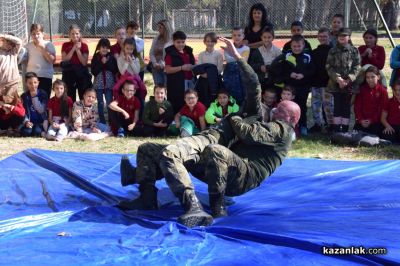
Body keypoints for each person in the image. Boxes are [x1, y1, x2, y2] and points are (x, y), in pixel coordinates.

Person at [118, 37, 301, 228]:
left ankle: (199, 206)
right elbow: (254, 85)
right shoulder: (256, 115)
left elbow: (248, 133)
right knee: (148, 149)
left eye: (280, 110)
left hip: (239, 176)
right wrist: (237, 56)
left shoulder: (284, 131)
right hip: (217, 160)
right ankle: (146, 192)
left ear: (289, 118)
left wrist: (233, 118)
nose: (275, 110)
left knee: (197, 152)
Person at [270, 35, 315, 135]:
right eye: (294, 46)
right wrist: (289, 74)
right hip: (289, 86)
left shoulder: (307, 56)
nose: (296, 48)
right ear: (291, 45)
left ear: (303, 45)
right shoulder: (286, 55)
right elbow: (277, 67)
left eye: (299, 46)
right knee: (287, 106)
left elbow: (312, 70)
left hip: (303, 86)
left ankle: (303, 125)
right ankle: (287, 126)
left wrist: (303, 75)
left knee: (302, 106)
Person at [326, 28, 360, 133]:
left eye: (344, 35)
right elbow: (329, 66)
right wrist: (338, 79)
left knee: (346, 107)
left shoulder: (354, 50)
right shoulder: (332, 51)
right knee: (337, 107)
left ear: (349, 37)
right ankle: (336, 130)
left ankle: (345, 130)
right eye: (340, 35)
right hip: (335, 84)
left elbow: (357, 66)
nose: (342, 37)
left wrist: (348, 80)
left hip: (349, 85)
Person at [164, 31, 196, 113]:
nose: (181, 44)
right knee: (177, 103)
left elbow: (193, 64)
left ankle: (190, 117)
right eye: (178, 42)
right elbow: (167, 69)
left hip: (190, 82)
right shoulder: (170, 54)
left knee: (190, 101)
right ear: (173, 42)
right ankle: (175, 120)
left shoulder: (188, 52)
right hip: (177, 84)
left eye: (183, 42)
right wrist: (182, 68)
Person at [23, 24, 56, 98]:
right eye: (33, 34)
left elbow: (52, 60)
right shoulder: (27, 46)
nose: (36, 36)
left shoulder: (48, 44)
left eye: (38, 33)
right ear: (31, 34)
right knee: (31, 100)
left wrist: (42, 48)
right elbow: (24, 60)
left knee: (44, 101)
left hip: (45, 76)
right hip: (31, 77)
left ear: (42, 34)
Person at [61, 24, 92, 102]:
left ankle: (84, 112)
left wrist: (78, 50)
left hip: (81, 73)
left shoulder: (84, 46)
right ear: (69, 35)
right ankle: (70, 113)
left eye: (77, 33)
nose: (75, 35)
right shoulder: (65, 45)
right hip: (69, 73)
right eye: (72, 33)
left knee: (83, 95)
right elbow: (64, 60)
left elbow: (84, 62)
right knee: (69, 96)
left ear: (80, 34)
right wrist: (73, 48)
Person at [309, 27, 332, 133]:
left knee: (328, 106)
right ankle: (318, 124)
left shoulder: (333, 52)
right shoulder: (314, 52)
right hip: (315, 83)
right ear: (318, 37)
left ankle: (330, 125)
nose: (323, 38)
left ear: (329, 37)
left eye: (325, 36)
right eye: (321, 36)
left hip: (327, 84)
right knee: (315, 105)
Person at [91, 38, 118, 124]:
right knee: (100, 103)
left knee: (109, 102)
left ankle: (111, 120)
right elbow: (94, 71)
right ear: (99, 47)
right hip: (98, 84)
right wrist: (101, 63)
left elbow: (114, 69)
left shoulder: (111, 57)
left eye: (106, 47)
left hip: (109, 84)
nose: (105, 49)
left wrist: (106, 63)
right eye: (103, 47)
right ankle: (102, 120)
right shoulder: (95, 57)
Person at [354, 66, 387, 136]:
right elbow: (357, 106)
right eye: (367, 77)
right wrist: (361, 120)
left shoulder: (383, 91)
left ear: (378, 77)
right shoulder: (362, 89)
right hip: (362, 122)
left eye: (372, 77)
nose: (370, 80)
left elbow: (381, 109)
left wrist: (371, 120)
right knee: (355, 136)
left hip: (376, 122)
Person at [223, 27, 250, 106]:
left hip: (241, 75)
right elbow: (228, 60)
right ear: (232, 36)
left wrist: (234, 56)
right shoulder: (227, 47)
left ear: (243, 36)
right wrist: (238, 57)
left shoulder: (246, 48)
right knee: (230, 93)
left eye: (239, 35)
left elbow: (243, 60)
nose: (237, 37)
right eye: (234, 35)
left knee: (242, 94)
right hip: (230, 75)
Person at [195, 32, 224, 106]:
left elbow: (219, 69)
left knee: (214, 97)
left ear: (215, 42)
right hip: (203, 81)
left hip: (215, 80)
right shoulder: (201, 54)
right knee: (204, 97)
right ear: (204, 42)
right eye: (208, 41)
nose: (210, 43)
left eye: (212, 41)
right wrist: (205, 75)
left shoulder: (218, 54)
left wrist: (211, 76)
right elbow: (199, 67)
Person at [20, 72, 48, 137]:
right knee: (26, 132)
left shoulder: (43, 94)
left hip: (41, 122)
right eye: (30, 83)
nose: (33, 85)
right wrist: (26, 121)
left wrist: (34, 97)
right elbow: (23, 112)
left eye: (35, 82)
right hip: (30, 121)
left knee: (37, 132)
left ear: (38, 82)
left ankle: (38, 130)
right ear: (26, 84)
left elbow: (41, 110)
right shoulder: (24, 96)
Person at [149, 20, 173, 86]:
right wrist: (154, 63)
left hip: (167, 68)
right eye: (158, 27)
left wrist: (162, 64)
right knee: (158, 87)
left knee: (167, 87)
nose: (158, 29)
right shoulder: (156, 39)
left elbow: (171, 56)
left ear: (166, 28)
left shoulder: (172, 40)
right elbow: (151, 53)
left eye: (160, 27)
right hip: (156, 68)